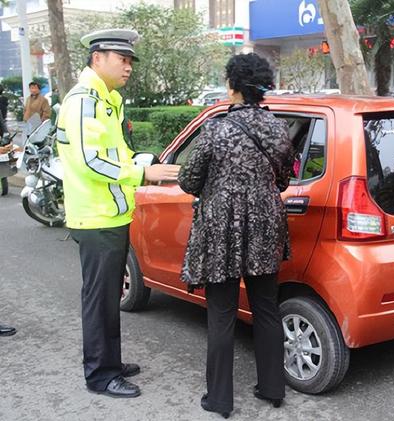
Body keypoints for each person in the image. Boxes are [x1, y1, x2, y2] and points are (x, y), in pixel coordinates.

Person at [56, 28, 180, 398]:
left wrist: (139, 163)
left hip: (112, 215)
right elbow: (89, 159)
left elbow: (115, 154)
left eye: (129, 61)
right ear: (98, 59)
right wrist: (143, 173)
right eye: (122, 60)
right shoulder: (83, 102)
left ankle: (110, 361)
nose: (128, 67)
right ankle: (100, 375)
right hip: (95, 219)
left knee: (110, 297)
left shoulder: (108, 100)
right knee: (99, 300)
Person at [178, 53, 294, 418]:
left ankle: (220, 400)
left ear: (233, 86)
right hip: (264, 224)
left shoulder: (216, 128)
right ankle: (274, 387)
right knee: (266, 309)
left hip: (222, 228)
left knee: (222, 314)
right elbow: (283, 180)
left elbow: (188, 180)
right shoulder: (279, 128)